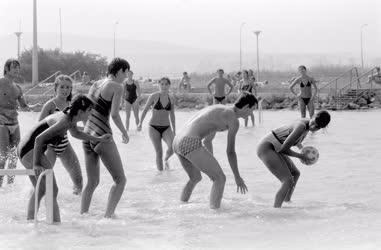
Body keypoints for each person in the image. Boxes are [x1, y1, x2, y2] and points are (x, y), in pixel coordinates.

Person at [17, 94, 110, 223]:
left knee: (42, 190)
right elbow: (39, 139)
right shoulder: (65, 120)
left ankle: (31, 222)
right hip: (30, 150)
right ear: (80, 111)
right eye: (89, 111)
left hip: (25, 149)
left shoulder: (70, 117)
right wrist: (37, 164)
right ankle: (55, 226)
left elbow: (76, 133)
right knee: (53, 190)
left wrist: (98, 139)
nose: (90, 115)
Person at [173, 92, 257, 209]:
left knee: (195, 178)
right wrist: (237, 177)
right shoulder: (233, 119)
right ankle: (215, 215)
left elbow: (207, 141)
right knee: (220, 178)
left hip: (177, 141)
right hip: (189, 141)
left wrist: (210, 165)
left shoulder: (220, 109)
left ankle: (180, 206)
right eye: (252, 109)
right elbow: (230, 152)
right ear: (246, 106)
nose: (252, 113)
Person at [81, 58, 130, 218]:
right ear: (120, 71)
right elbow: (115, 114)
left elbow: (85, 109)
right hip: (102, 136)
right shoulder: (117, 86)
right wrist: (124, 132)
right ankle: (108, 217)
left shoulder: (96, 84)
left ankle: (83, 216)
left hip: (87, 135)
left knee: (92, 183)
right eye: (126, 72)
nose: (126, 75)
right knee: (120, 180)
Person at [257, 110, 331, 208]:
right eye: (313, 123)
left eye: (317, 127)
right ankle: (276, 211)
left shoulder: (307, 126)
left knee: (296, 173)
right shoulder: (301, 126)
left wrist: (302, 149)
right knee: (287, 180)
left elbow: (294, 141)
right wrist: (301, 156)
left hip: (276, 148)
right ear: (312, 116)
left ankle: (287, 202)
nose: (313, 127)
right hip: (267, 147)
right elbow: (284, 149)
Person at [38, 74, 83, 195]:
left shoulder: (71, 105)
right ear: (56, 88)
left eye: (68, 87)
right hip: (49, 147)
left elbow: (73, 127)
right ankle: (37, 201)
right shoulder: (50, 105)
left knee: (78, 181)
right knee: (44, 180)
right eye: (62, 87)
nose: (65, 90)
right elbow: (38, 127)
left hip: (64, 145)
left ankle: (76, 209)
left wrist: (89, 129)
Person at [0, 59, 41, 187]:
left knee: (15, 155)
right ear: (6, 68)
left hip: (14, 123)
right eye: (14, 67)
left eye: (18, 67)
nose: (17, 70)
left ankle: (10, 184)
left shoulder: (18, 88)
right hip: (2, 123)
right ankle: (0, 184)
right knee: (4, 154)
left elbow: (24, 106)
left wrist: (35, 106)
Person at [138, 77, 176, 171]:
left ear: (169, 85)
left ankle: (166, 159)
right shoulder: (154, 96)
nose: (164, 86)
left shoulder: (171, 98)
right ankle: (161, 175)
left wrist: (174, 129)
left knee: (173, 147)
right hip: (153, 127)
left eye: (166, 84)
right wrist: (140, 123)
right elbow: (145, 109)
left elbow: (172, 114)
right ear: (159, 85)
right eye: (162, 84)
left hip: (166, 127)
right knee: (159, 152)